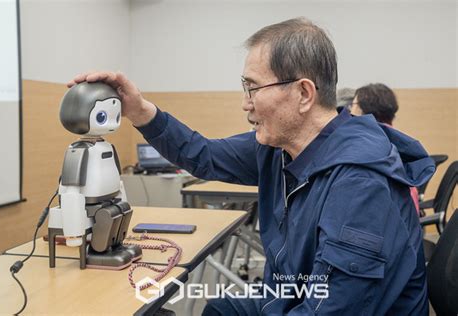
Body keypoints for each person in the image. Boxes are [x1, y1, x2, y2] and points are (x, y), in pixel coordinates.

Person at [69, 17, 434, 315]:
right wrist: (141, 111)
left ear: (303, 94)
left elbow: (331, 309)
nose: (246, 104)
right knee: (218, 310)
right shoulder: (279, 148)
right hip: (291, 296)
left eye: (252, 88)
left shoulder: (359, 182)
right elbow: (203, 155)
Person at [351, 83, 420, 213]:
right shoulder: (396, 140)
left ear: (363, 109)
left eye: (353, 105)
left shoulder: (372, 145)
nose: (350, 110)